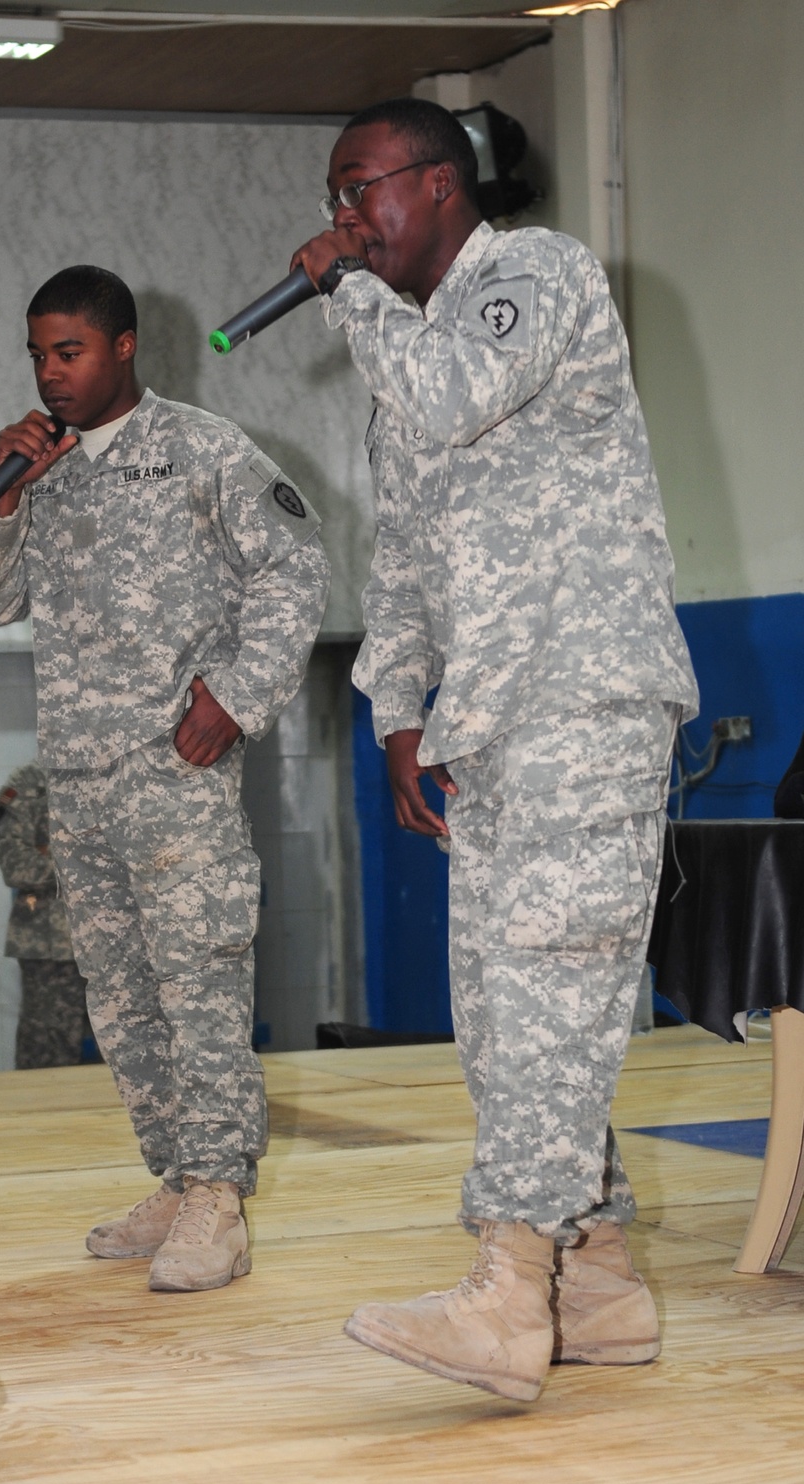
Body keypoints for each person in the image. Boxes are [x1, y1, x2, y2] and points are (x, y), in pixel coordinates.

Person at [292, 97, 698, 1401]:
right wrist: (397, 706)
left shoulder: (536, 273)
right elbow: (401, 552)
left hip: (585, 690)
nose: (345, 218)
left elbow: (456, 388)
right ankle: (603, 1280)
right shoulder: (399, 351)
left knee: (546, 991)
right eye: (338, 198)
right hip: (491, 715)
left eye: (364, 191)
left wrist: (351, 292)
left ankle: (510, 1289)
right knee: (509, 1017)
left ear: (442, 184)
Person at [0, 265, 329, 1292]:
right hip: (75, 781)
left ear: (123, 346)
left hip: (172, 774)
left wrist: (238, 697)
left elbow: (296, 570)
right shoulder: (51, 468)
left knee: (197, 984)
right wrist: (5, 498)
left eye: (67, 351)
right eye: (36, 354)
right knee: (120, 999)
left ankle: (218, 1196)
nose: (49, 372)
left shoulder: (203, 453)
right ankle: (172, 1177)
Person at [0, 762, 90, 1069]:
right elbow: (17, 865)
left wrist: (56, 852)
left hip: (121, 943)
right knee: (48, 1058)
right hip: (52, 948)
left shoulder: (124, 771)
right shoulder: (31, 782)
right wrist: (86, 864)